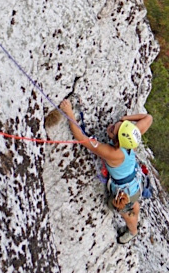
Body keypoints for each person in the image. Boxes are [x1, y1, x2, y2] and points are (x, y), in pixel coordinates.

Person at [59, 99, 153, 235]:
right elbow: (148, 118)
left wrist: (69, 112)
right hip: (136, 183)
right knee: (134, 204)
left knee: (127, 213)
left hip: (126, 192)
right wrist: (124, 119)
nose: (112, 125)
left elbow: (81, 137)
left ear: (117, 140)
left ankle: (132, 231)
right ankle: (135, 211)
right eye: (117, 124)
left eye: (113, 129)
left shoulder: (113, 153)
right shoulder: (131, 136)